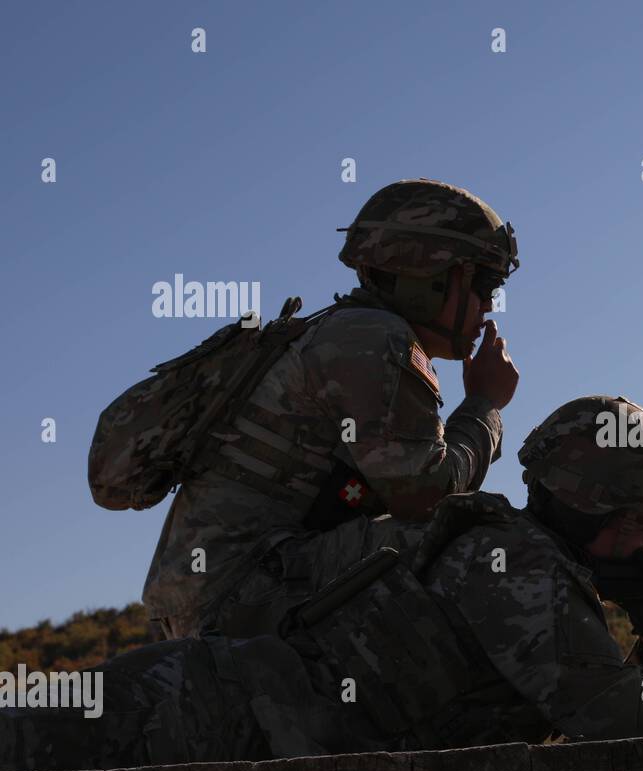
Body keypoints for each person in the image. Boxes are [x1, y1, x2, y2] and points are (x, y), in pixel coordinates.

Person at [2, 397, 643, 771]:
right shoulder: (516, 566)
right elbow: (621, 728)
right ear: (597, 504)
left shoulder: (512, 552)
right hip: (193, 714)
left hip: (208, 710)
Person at [139, 178, 521, 642]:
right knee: (485, 539)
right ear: (433, 275)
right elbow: (426, 494)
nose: (488, 307)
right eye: (484, 285)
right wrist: (485, 404)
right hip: (244, 593)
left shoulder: (341, 331)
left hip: (216, 592)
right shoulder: (374, 339)